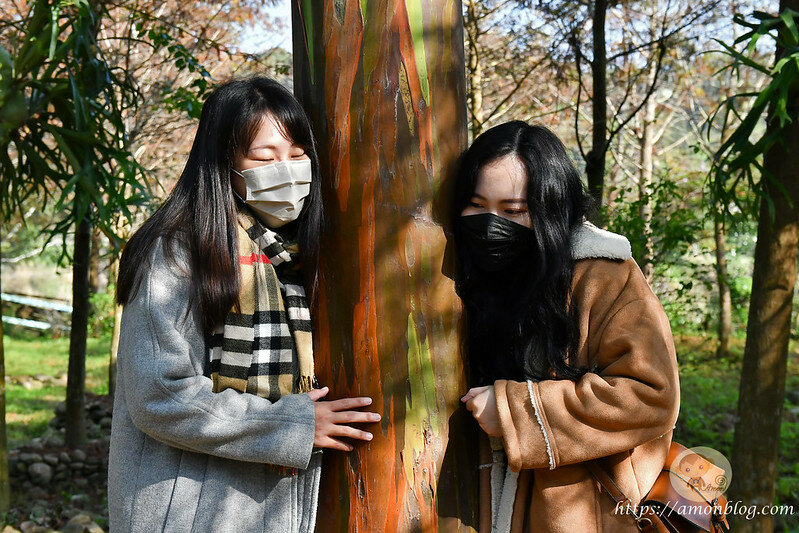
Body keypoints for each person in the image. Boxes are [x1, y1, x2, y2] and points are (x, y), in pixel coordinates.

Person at [109, 77, 380, 532]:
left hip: (268, 510)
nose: (287, 169)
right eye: (264, 156)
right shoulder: (176, 251)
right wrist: (291, 426)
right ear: (224, 163)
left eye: (297, 155)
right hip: (186, 513)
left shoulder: (294, 260)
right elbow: (159, 394)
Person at [453, 121, 680, 532]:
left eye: (514, 211)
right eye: (476, 204)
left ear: (551, 209)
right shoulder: (458, 272)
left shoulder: (602, 274)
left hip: (578, 513)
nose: (491, 224)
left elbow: (650, 396)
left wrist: (515, 413)